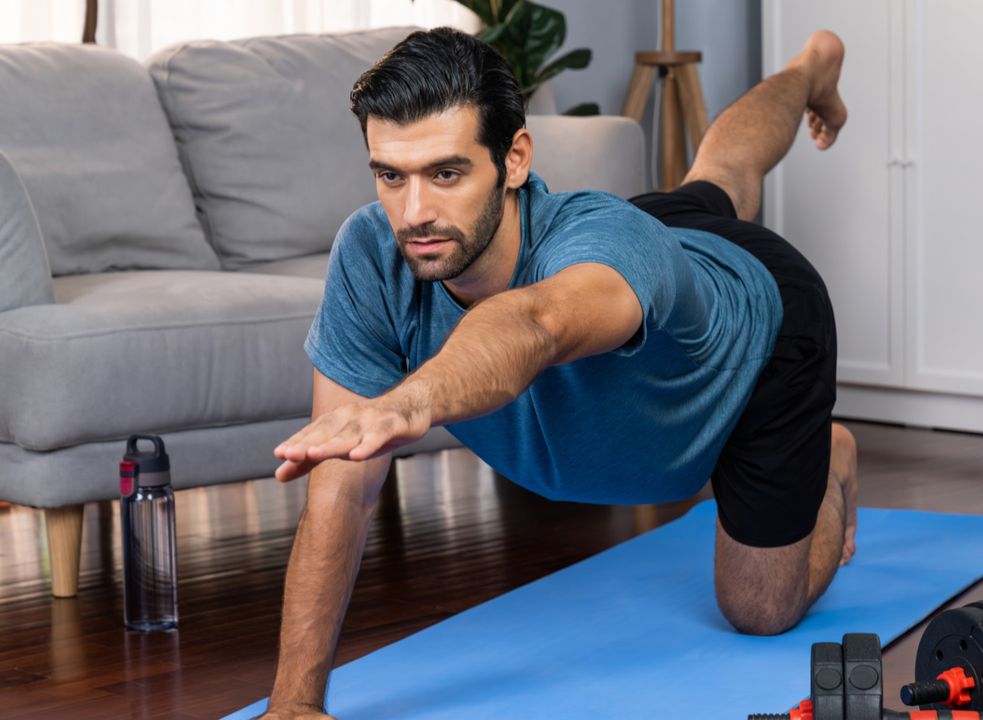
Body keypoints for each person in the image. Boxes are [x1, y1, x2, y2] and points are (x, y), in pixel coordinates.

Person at [258, 25, 857, 720]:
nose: (414, 213)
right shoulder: (371, 252)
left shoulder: (596, 250)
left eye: (447, 173)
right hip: (670, 251)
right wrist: (292, 704)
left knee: (759, 608)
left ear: (514, 160)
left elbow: (537, 324)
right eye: (392, 175)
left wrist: (412, 399)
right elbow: (343, 485)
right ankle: (815, 65)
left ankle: (830, 459)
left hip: (767, 329)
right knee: (719, 178)